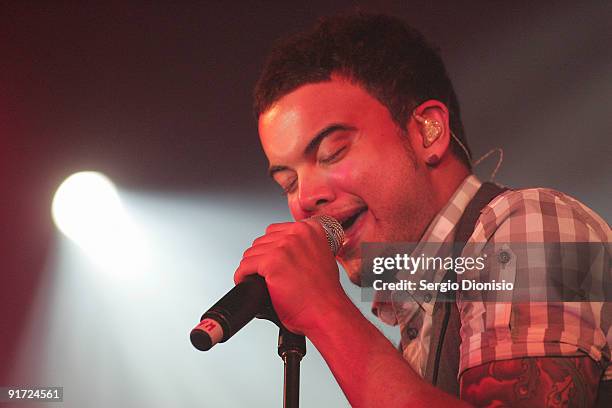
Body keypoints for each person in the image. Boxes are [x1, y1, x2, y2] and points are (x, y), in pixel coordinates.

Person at [234, 12, 611, 407]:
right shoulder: (416, 324)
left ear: (427, 131)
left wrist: (324, 308)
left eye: (333, 152)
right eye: (287, 183)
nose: (305, 198)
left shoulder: (532, 222)